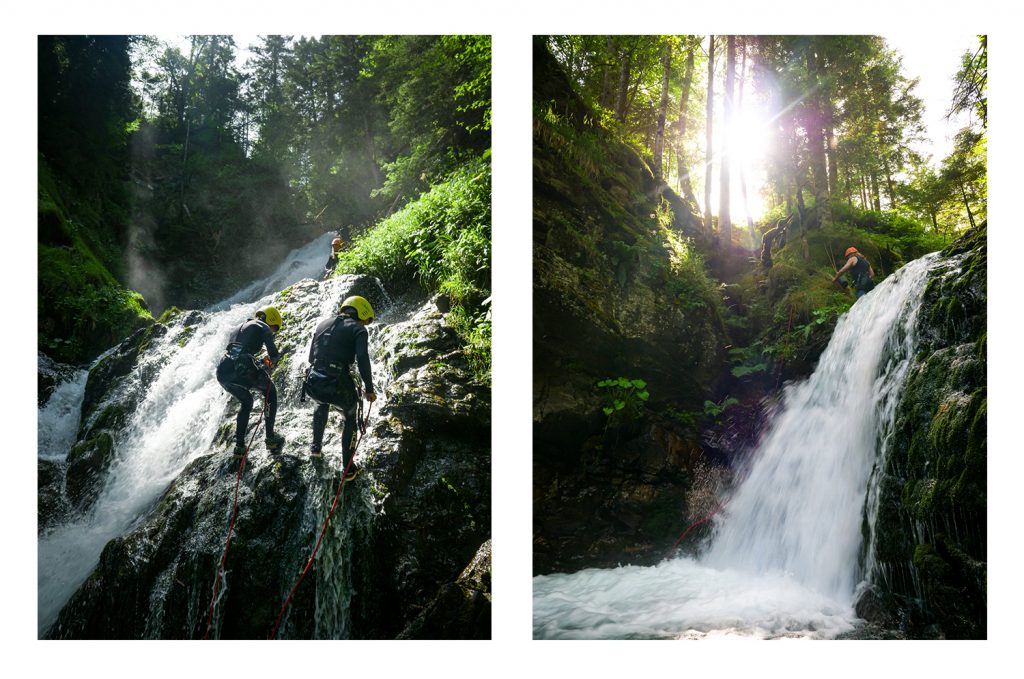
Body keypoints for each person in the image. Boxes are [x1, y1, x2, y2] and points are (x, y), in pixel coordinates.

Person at [303, 295, 377, 480]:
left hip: (313, 382)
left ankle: (315, 448)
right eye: (365, 320)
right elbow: (362, 358)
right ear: (362, 313)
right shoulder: (358, 329)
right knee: (350, 416)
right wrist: (369, 389)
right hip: (337, 384)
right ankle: (348, 468)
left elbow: (311, 358)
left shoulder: (322, 324)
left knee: (320, 403)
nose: (365, 324)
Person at [216, 306, 286, 456]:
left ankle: (239, 447)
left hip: (223, 370)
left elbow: (238, 351)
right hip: (243, 365)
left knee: (247, 402)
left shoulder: (237, 328)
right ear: (270, 319)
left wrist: (259, 363)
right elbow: (273, 353)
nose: (273, 331)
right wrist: (272, 361)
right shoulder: (263, 326)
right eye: (274, 328)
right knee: (270, 391)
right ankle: (271, 438)